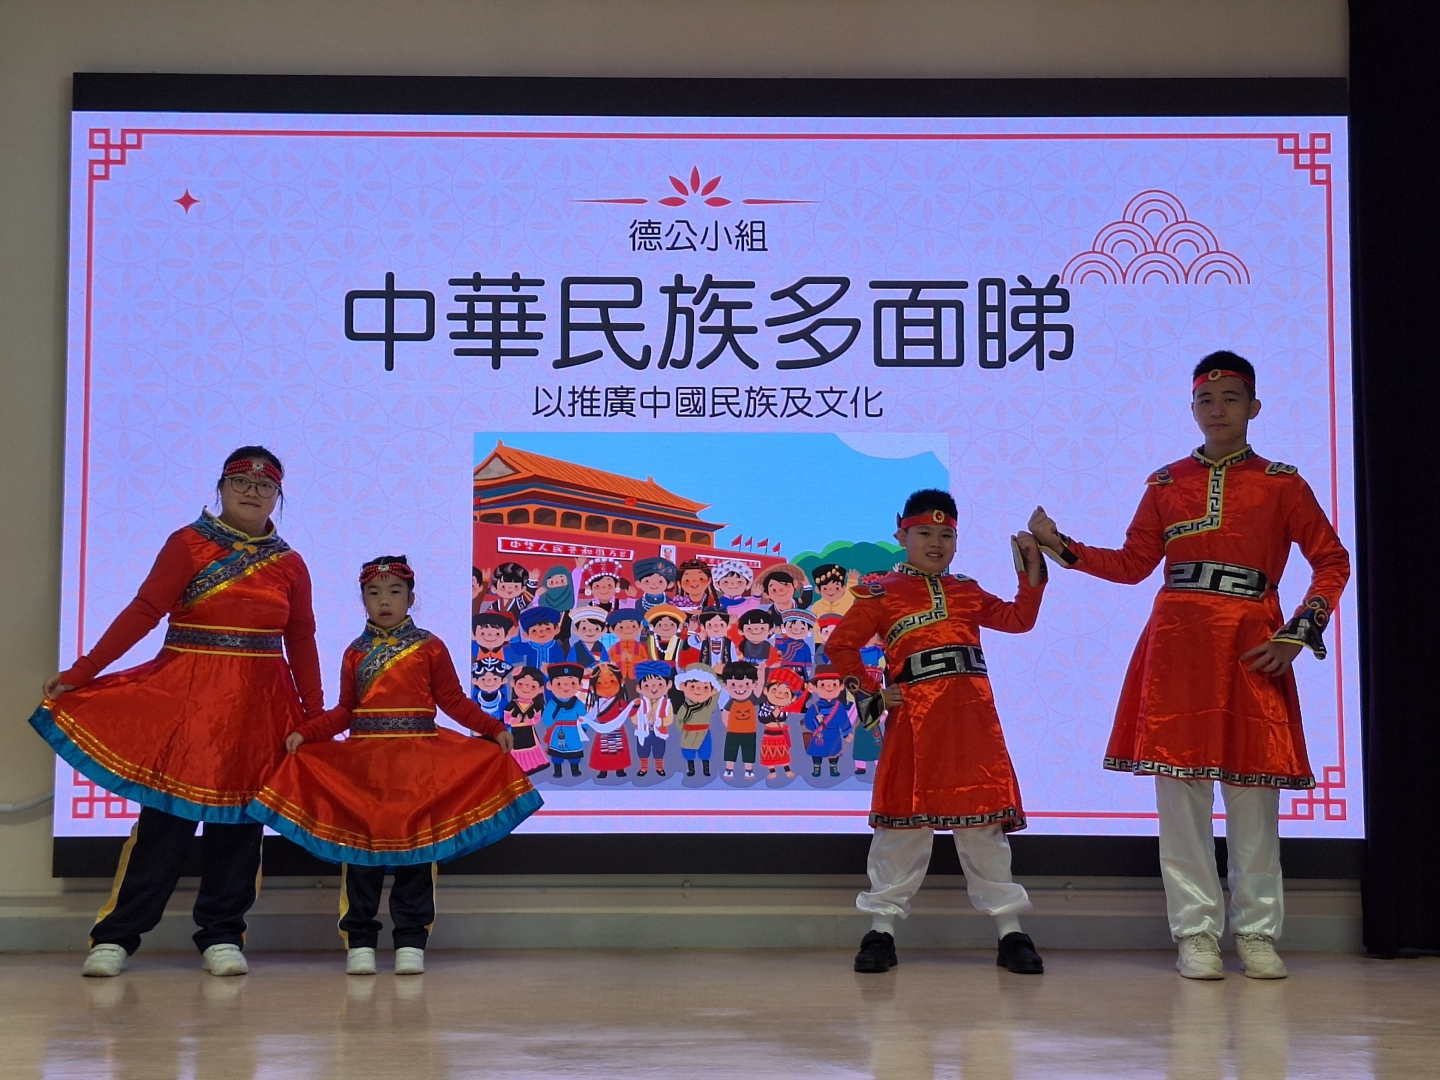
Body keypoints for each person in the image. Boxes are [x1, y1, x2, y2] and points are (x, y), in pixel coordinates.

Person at [1027, 351, 1351, 981]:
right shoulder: (1164, 483)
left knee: (1253, 796)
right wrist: (1060, 545)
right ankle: (1196, 932)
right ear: (1192, 408)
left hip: (1253, 644)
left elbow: (1331, 560)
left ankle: (1257, 933)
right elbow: (1132, 565)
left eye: (1231, 398)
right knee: (1181, 798)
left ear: (1254, 407)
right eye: (1206, 399)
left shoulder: (1283, 484)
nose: (1217, 409)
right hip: (1176, 648)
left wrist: (1299, 631)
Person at [30, 447, 323, 979]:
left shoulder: (290, 563)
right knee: (165, 826)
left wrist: (314, 714)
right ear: (221, 487)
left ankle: (222, 934)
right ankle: (116, 937)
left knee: (240, 827)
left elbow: (301, 638)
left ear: (278, 496)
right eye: (241, 482)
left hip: (259, 710)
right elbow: (145, 611)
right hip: (189, 705)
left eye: (265, 486)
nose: (253, 492)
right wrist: (85, 669)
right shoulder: (187, 544)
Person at [249, 556, 538, 976]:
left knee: (416, 856)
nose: (384, 601)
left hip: (418, 766)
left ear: (411, 598)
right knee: (361, 855)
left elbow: (453, 701)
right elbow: (345, 710)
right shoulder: (355, 652)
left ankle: (411, 941)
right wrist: (308, 733)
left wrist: (493, 728)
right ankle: (360, 942)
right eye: (374, 593)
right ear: (363, 600)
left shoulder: (429, 646)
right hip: (366, 768)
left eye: (394, 592)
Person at [828, 487, 1047, 977]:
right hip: (916, 724)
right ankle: (881, 930)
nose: (936, 543)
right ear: (901, 535)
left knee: (984, 830)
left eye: (946, 535)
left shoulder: (968, 590)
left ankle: (1010, 931)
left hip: (972, 724)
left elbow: (1019, 619)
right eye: (924, 533)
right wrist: (872, 692)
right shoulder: (881, 592)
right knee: (902, 831)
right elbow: (840, 645)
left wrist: (1031, 567)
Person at [802, 666, 856, 778]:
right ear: (815, 688)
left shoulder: (839, 706)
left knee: (834, 753)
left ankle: (833, 768)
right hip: (819, 734)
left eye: (834, 684)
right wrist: (816, 721)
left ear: (841, 687)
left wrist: (847, 733)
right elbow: (807, 722)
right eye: (822, 685)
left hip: (834, 734)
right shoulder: (814, 706)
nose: (829, 687)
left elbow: (844, 721)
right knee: (817, 753)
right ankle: (816, 769)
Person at [623, 660, 675, 777]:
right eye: (647, 685)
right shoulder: (639, 703)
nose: (653, 688)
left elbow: (669, 719)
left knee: (659, 750)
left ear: (668, 685)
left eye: (660, 685)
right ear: (639, 688)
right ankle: (643, 768)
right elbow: (634, 719)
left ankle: (659, 767)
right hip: (643, 731)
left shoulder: (666, 703)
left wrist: (659, 721)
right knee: (643, 750)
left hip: (659, 731)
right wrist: (644, 719)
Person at [673, 663, 722, 778]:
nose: (699, 690)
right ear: (683, 687)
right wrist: (683, 730)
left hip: (704, 731)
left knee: (705, 751)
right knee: (688, 751)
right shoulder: (685, 706)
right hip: (688, 732)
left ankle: (706, 769)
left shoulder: (708, 705)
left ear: (712, 690)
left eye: (705, 687)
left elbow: (717, 693)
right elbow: (679, 720)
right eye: (693, 686)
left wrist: (719, 675)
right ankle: (691, 769)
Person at [583, 663, 632, 778]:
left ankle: (620, 769)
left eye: (612, 680)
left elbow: (629, 712)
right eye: (599, 682)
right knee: (603, 751)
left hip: (618, 730)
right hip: (603, 730)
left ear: (621, 682)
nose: (606, 684)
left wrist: (635, 706)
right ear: (593, 688)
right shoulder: (598, 703)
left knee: (619, 750)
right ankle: (603, 770)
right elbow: (592, 716)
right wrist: (583, 719)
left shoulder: (620, 702)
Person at [542, 662, 589, 777]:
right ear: (550, 685)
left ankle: (575, 769)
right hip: (558, 731)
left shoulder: (578, 703)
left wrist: (583, 728)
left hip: (573, 731)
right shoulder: (552, 704)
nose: (565, 687)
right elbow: (547, 719)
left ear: (579, 685)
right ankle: (557, 771)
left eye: (572, 683)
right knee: (557, 754)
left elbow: (584, 717)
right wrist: (552, 721)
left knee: (574, 752)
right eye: (559, 683)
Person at [504, 667, 551, 776]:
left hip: (529, 731)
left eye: (533, 686)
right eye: (521, 684)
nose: (526, 689)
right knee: (516, 750)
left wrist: (530, 721)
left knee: (531, 749)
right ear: (513, 683)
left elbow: (537, 718)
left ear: (540, 689)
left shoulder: (535, 706)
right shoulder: (512, 704)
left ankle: (531, 766)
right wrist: (514, 720)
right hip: (515, 731)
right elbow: (507, 718)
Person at [719, 661, 761, 780]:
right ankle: (729, 769)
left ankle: (748, 770)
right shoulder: (731, 702)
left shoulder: (752, 700)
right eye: (733, 684)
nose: (740, 687)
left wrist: (761, 673)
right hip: (733, 731)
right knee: (730, 751)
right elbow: (724, 714)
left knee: (749, 751)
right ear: (725, 685)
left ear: (753, 684)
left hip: (750, 732)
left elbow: (759, 692)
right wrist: (729, 726)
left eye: (746, 683)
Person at [759, 667, 802, 780]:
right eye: (775, 690)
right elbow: (762, 718)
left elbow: (798, 706)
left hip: (780, 733)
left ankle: (787, 769)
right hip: (768, 734)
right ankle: (772, 771)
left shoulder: (786, 707)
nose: (780, 694)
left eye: (786, 693)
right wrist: (773, 714)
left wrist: (808, 691)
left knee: (783, 752)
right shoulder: (765, 706)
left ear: (792, 698)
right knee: (768, 753)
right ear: (766, 691)